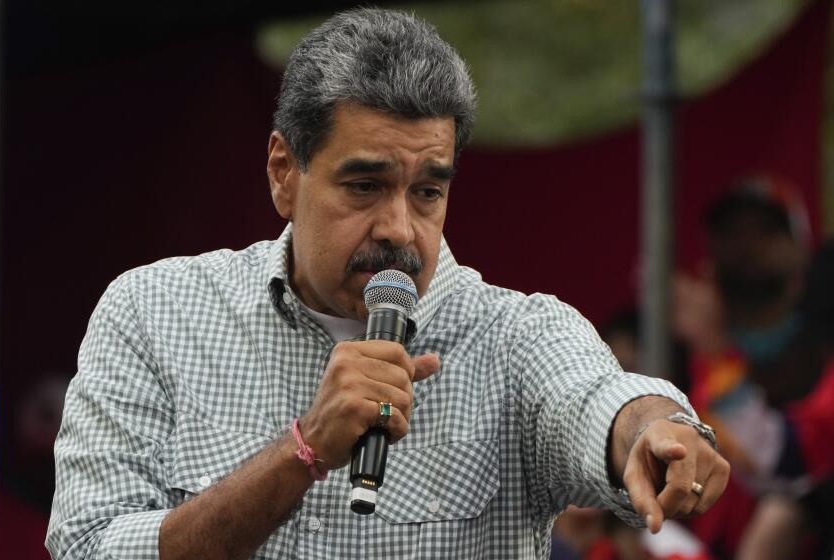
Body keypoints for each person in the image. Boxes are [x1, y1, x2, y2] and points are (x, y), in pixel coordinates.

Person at [46, 8, 729, 560]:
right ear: (285, 171)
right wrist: (303, 450)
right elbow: (89, 547)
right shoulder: (154, 313)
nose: (399, 228)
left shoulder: (517, 335)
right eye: (365, 185)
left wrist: (658, 429)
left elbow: (596, 400)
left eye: (428, 191)